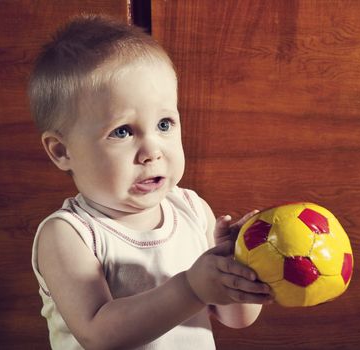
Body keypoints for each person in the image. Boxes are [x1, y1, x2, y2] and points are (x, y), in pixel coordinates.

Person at [29, 15, 273, 350]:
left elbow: (237, 318)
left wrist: (238, 268)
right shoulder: (69, 234)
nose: (152, 151)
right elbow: (99, 334)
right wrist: (191, 287)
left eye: (164, 124)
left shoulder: (191, 210)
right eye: (123, 131)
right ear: (62, 151)